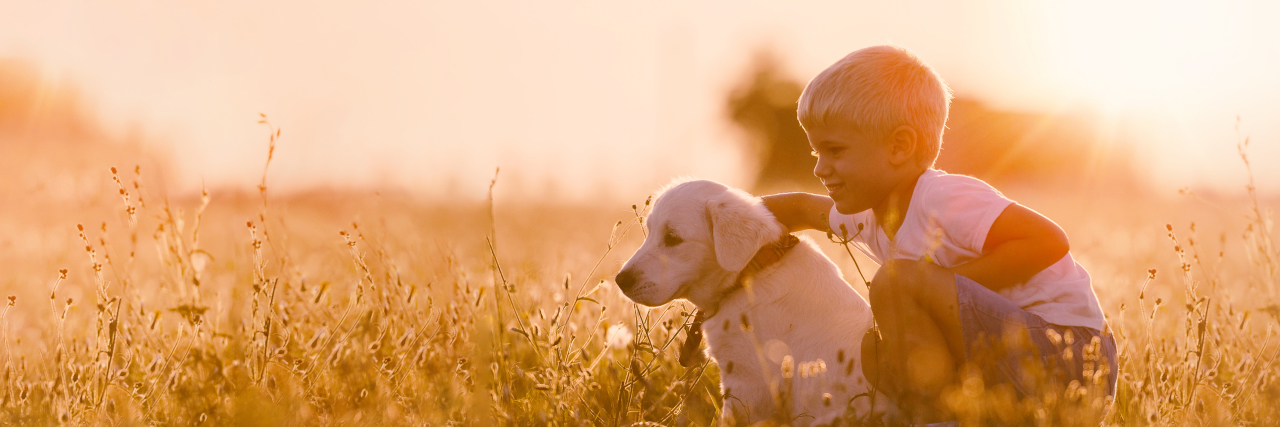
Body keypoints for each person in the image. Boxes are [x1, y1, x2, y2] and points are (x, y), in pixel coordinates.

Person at [761, 45, 1116, 424]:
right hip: (1016, 363)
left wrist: (941, 286)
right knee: (874, 352)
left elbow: (1048, 241)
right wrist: (724, 218)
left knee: (897, 284)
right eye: (816, 153)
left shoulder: (942, 198)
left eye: (834, 150)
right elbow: (800, 208)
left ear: (899, 147)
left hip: (1072, 356)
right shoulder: (867, 215)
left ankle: (936, 419)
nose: (820, 168)